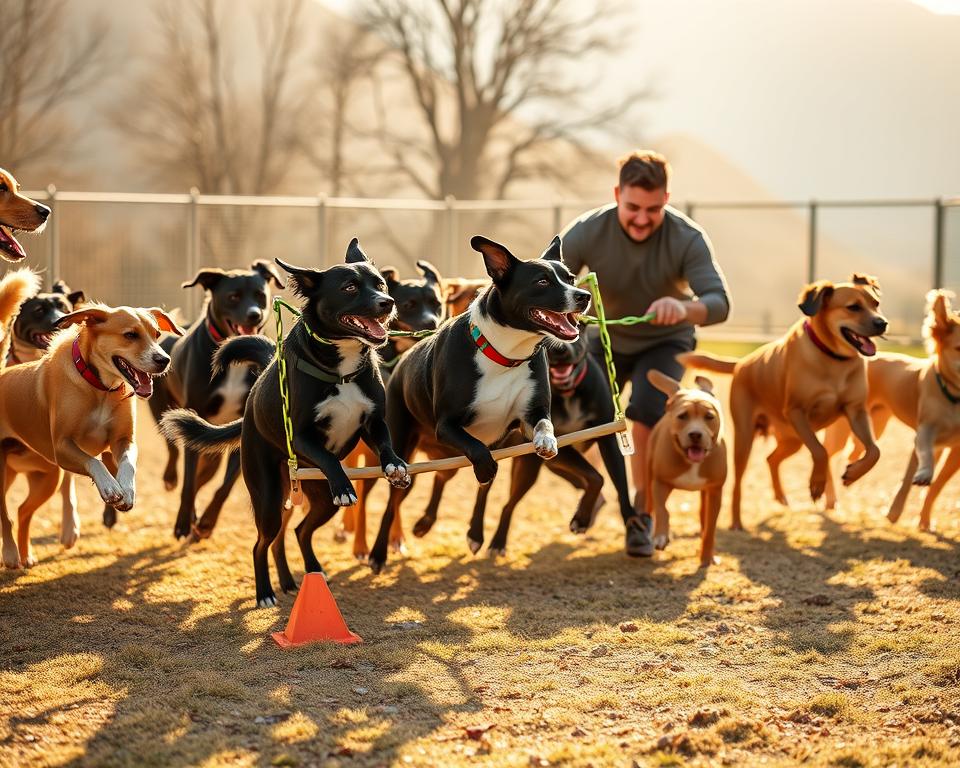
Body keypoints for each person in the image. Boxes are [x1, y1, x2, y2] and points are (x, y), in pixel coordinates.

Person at [560, 149, 731, 557]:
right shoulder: (587, 231)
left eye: (652, 209)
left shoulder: (686, 237)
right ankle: (592, 486)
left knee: (645, 412)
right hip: (602, 340)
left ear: (666, 200)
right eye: (632, 207)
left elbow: (719, 302)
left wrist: (685, 308)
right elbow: (544, 280)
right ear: (617, 194)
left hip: (666, 341)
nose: (641, 218)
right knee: (578, 425)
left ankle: (641, 514)